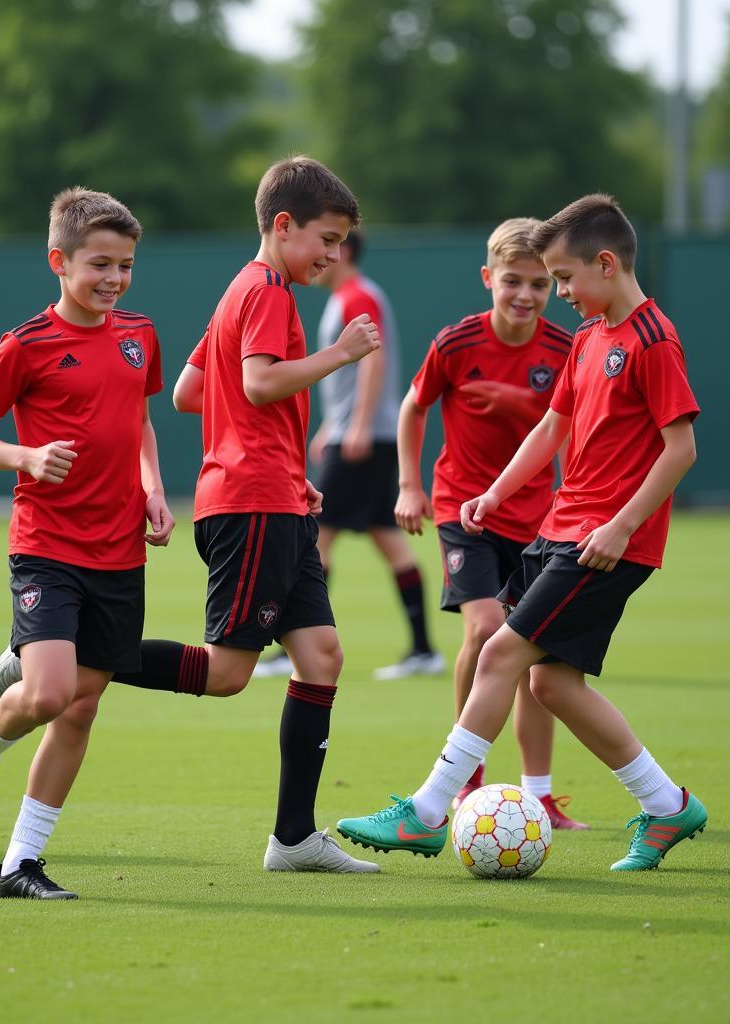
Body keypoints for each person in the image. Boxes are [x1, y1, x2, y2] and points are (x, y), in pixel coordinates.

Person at [0, 156, 383, 874]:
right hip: (250, 502)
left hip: (275, 493)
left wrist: (287, 464)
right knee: (225, 674)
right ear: (283, 226)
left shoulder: (242, 292)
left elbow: (193, 392)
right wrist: (338, 355)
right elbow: (255, 382)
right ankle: (55, 656)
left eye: (342, 242)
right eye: (327, 237)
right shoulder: (269, 293)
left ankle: (292, 837)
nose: (334, 255)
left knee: (321, 656)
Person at [336, 194, 707, 872]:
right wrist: (496, 493)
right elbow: (551, 429)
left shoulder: (653, 340)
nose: (557, 292)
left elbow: (679, 449)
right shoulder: (593, 338)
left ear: (605, 263)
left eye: (562, 278)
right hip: (559, 528)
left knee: (500, 652)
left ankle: (425, 814)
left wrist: (622, 527)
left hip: (601, 540)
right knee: (551, 684)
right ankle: (666, 806)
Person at [0, 188, 174, 900]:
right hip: (46, 545)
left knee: (82, 705)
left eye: (125, 265)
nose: (114, 279)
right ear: (59, 262)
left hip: (120, 552)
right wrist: (26, 457)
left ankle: (19, 865)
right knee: (48, 692)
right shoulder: (25, 344)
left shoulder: (140, 334)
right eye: (100, 264)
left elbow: (139, 420)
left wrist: (152, 485)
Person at [392, 218, 586, 829]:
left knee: (536, 657)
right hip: (463, 511)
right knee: (484, 629)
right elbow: (414, 406)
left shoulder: (564, 349)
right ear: (487, 278)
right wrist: (408, 485)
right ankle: (465, 783)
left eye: (538, 284)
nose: (525, 295)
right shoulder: (456, 343)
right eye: (512, 281)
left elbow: (569, 432)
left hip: (537, 518)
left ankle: (541, 796)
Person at [253, 230, 442, 682]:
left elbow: (371, 360)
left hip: (362, 437)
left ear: (347, 251)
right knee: (385, 538)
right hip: (361, 434)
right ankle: (422, 649)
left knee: (313, 537)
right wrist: (332, 424)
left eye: (332, 245)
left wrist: (354, 425)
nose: (324, 257)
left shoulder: (358, 294)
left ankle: (293, 648)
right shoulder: (350, 295)